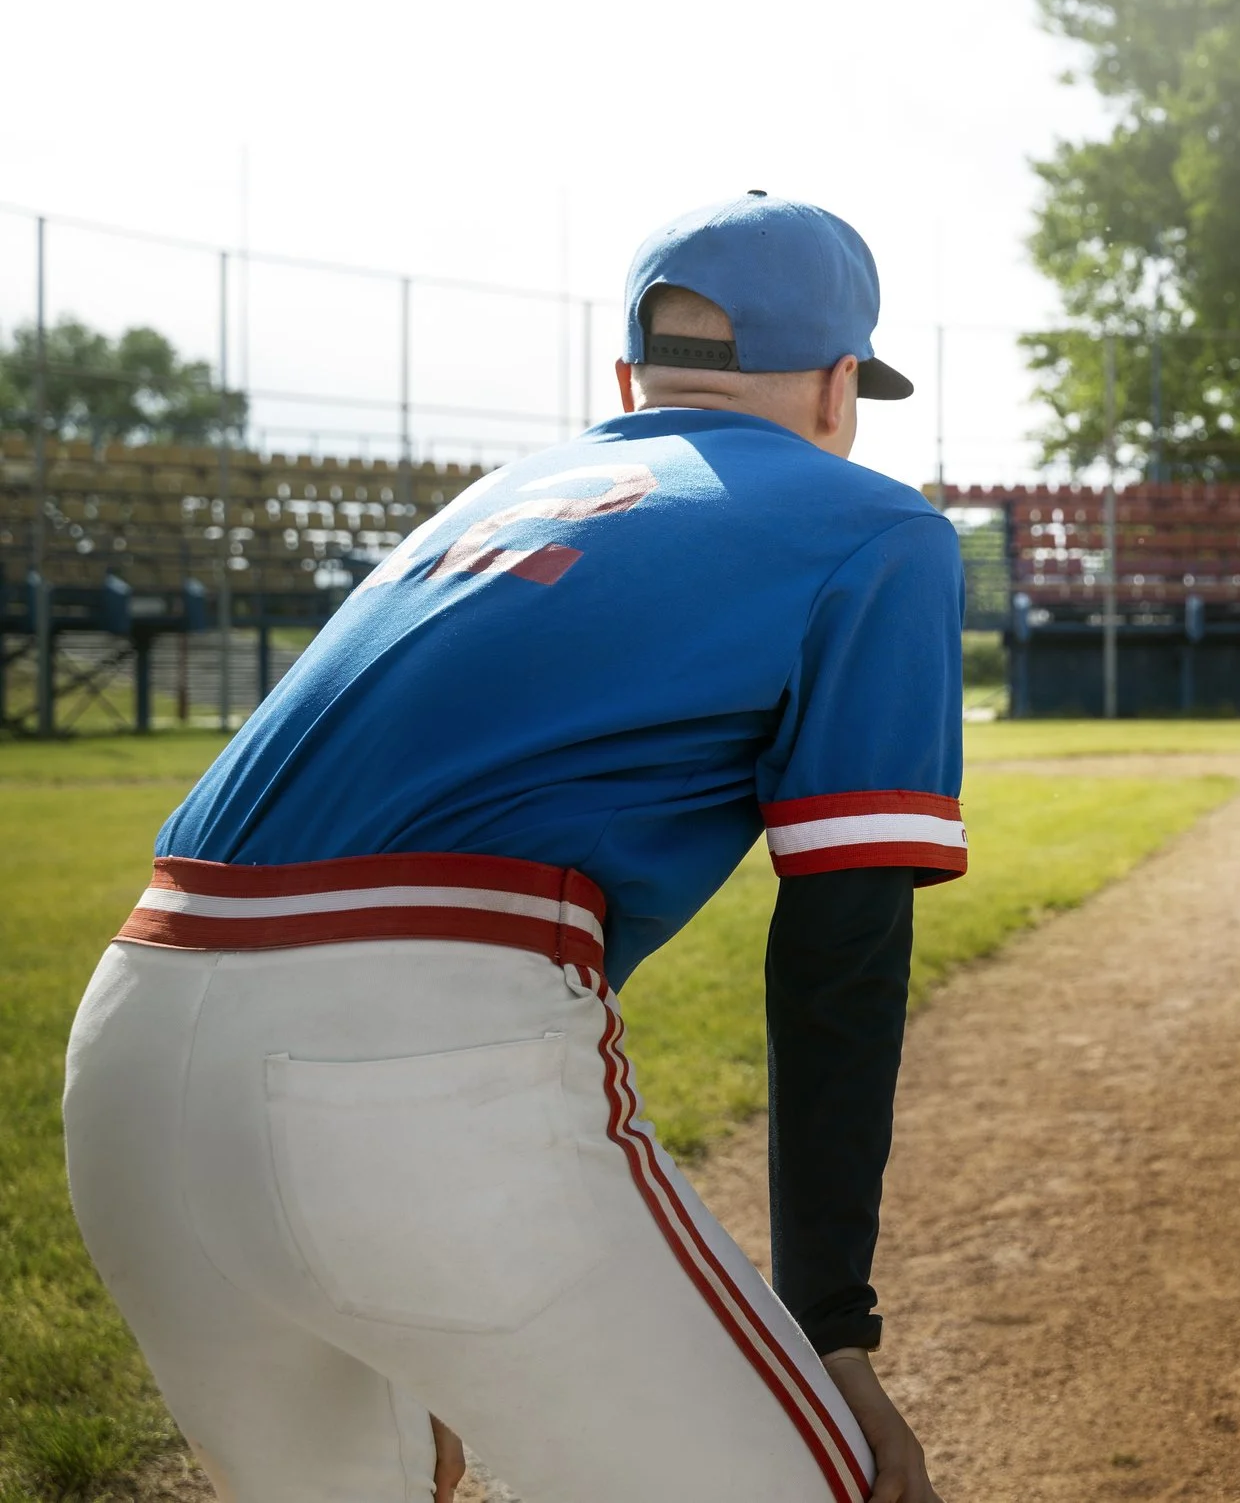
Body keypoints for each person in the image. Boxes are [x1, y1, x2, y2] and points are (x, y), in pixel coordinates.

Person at [61, 194, 956, 1503]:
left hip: (127, 1062)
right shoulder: (875, 523)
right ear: (837, 386)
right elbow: (843, 948)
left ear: (629, 381)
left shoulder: (490, 501)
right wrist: (832, 1327)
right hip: (408, 1076)